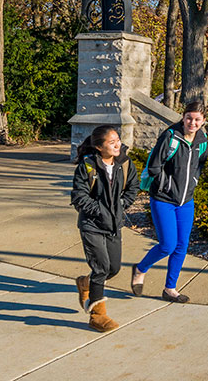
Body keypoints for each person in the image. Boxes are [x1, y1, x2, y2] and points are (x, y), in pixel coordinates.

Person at [132, 102, 208, 303]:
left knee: (182, 245)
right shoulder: (170, 137)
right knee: (167, 245)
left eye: (197, 119)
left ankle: (170, 289)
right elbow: (155, 166)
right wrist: (167, 185)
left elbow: (200, 164)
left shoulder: (202, 140)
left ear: (203, 121)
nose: (192, 122)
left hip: (186, 201)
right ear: (183, 117)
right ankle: (140, 269)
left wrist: (194, 181)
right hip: (163, 199)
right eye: (189, 118)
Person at [70, 124, 140, 332]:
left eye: (117, 139)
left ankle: (86, 283)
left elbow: (133, 188)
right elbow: (79, 197)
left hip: (113, 225)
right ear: (99, 147)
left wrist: (119, 207)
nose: (117, 144)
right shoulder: (87, 167)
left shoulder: (125, 163)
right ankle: (97, 316)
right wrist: (101, 211)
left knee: (113, 268)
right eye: (111, 142)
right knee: (101, 268)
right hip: (92, 225)